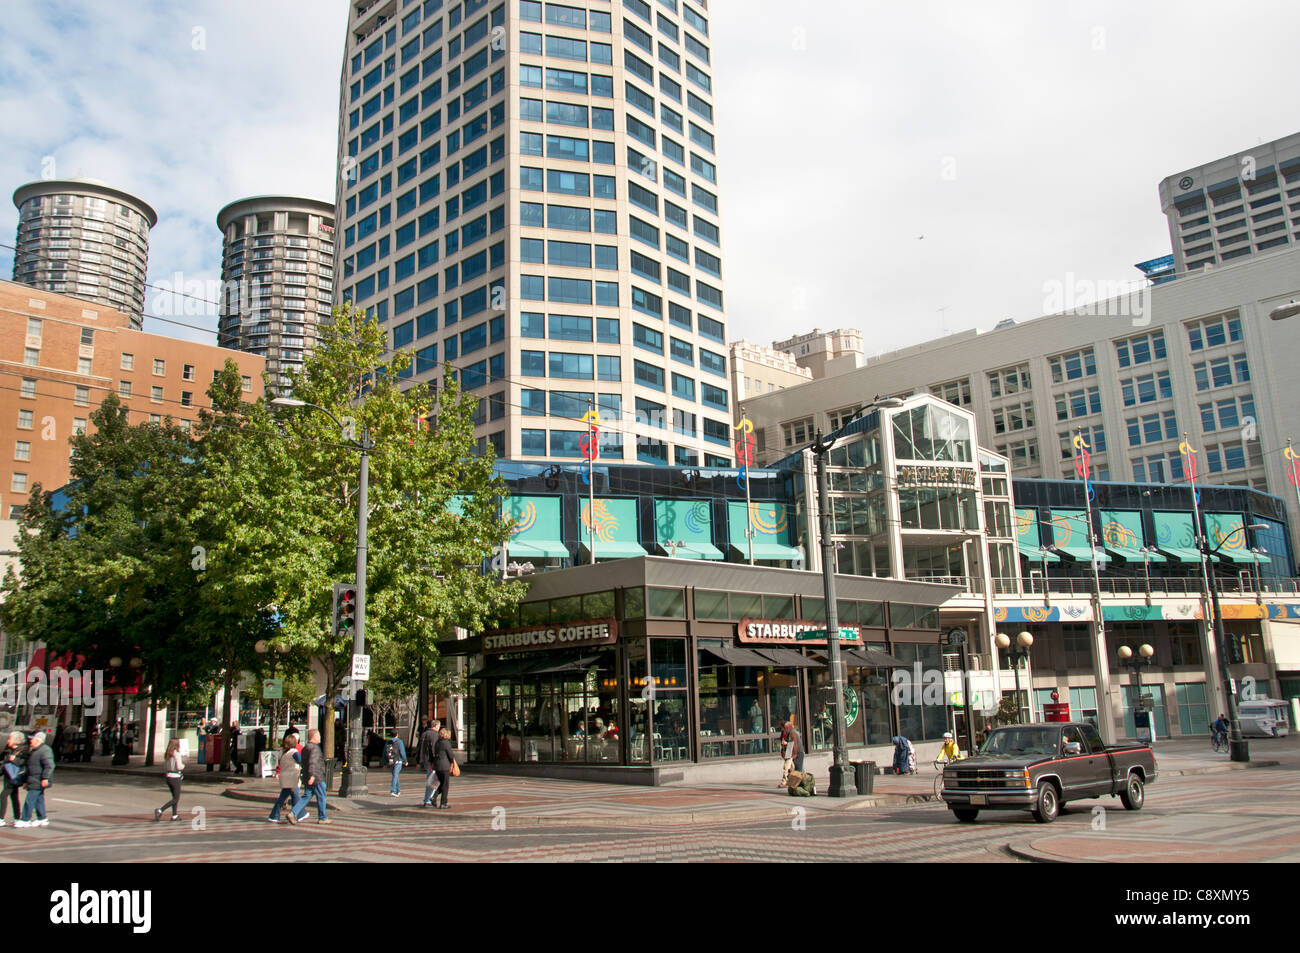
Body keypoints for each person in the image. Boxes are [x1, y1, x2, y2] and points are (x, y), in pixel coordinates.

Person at [16, 731, 54, 828]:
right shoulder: (34, 750)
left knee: (30, 800)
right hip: (33, 778)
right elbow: (29, 767)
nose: (30, 741)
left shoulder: (45, 750)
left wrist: (45, 778)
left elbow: (49, 766)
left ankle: (25, 819)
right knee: (38, 799)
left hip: (39, 779)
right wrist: (25, 780)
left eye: (32, 739)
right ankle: (42, 818)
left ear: (38, 740)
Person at [292, 729, 329, 824]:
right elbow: (313, 763)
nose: (320, 737)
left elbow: (305, 763)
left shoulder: (305, 748)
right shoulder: (315, 748)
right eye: (319, 735)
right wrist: (312, 776)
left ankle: (293, 813)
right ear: (314, 737)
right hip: (317, 777)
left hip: (308, 776)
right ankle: (323, 817)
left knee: (306, 796)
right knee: (321, 796)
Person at [268, 734, 303, 825]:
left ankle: (274, 815)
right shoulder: (294, 752)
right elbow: (300, 761)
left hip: (285, 777)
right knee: (295, 795)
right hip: (293, 777)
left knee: (283, 797)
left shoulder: (283, 753)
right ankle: (297, 814)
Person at [1, 731, 29, 826]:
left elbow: (24, 763)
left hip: (14, 778)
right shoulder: (10, 750)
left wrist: (14, 760)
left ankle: (1, 818)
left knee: (2, 796)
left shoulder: (23, 750)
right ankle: (17, 818)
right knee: (14, 797)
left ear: (16, 740)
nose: (8, 740)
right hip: (9, 777)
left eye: (10, 738)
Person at [155, 738, 185, 821]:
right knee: (176, 798)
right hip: (175, 777)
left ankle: (174, 815)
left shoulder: (168, 754)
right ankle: (160, 810)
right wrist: (184, 765)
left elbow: (165, 766)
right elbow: (179, 766)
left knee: (174, 797)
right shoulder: (177, 753)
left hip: (168, 776)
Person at [417, 719, 441, 806]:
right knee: (432, 780)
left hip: (426, 760)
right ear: (436, 726)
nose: (439, 728)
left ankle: (428, 798)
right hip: (432, 761)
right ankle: (428, 799)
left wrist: (419, 760)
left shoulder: (425, 734)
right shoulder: (434, 735)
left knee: (430, 779)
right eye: (438, 726)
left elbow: (420, 747)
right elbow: (434, 749)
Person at [431, 726, 454, 809]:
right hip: (444, 766)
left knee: (441, 784)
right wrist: (452, 761)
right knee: (445, 785)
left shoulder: (437, 742)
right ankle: (443, 803)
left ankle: (433, 797)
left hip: (437, 766)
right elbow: (450, 754)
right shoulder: (446, 743)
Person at [384, 728, 408, 797]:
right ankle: (393, 790)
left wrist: (385, 762)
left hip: (391, 760)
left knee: (395, 775)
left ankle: (398, 790)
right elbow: (402, 752)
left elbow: (384, 752)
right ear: (397, 734)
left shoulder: (388, 742)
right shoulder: (399, 741)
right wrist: (405, 761)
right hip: (398, 760)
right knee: (395, 775)